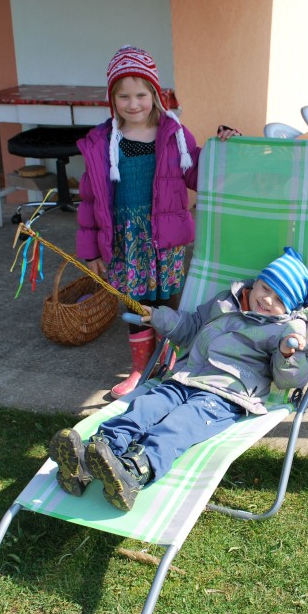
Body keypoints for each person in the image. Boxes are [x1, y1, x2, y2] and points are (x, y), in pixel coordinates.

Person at [48, 247, 308, 511]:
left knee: (177, 426)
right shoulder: (225, 301)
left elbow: (290, 379)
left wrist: (288, 354)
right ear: (257, 282)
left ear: (290, 307)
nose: (268, 300)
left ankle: (132, 473)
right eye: (266, 289)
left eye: (280, 300)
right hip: (184, 378)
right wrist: (158, 317)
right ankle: (94, 454)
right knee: (144, 408)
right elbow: (190, 327)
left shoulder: (287, 330)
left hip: (224, 396)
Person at [76, 45, 239, 399]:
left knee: (167, 302)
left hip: (164, 238)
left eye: (141, 95)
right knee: (135, 303)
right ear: (112, 99)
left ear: (155, 94)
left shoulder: (174, 134)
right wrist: (91, 252)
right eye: (123, 96)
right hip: (125, 240)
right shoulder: (102, 142)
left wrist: (224, 148)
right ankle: (140, 368)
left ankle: (169, 363)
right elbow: (89, 201)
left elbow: (198, 173)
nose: (133, 104)